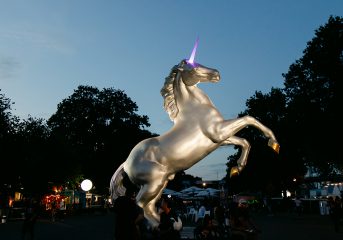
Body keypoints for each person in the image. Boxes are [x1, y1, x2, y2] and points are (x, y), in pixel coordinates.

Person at [113, 172, 145, 240]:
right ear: (134, 193)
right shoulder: (133, 203)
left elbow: (115, 211)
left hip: (119, 231)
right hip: (129, 233)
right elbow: (140, 217)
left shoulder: (119, 200)